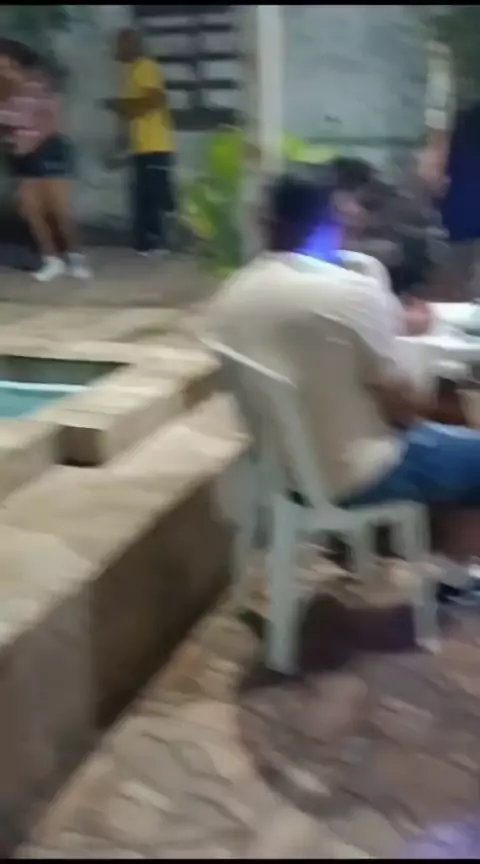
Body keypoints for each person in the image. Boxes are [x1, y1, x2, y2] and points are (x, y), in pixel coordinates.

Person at [207, 170, 480, 598]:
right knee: (469, 453)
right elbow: (404, 411)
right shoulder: (349, 293)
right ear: (330, 219)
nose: (358, 216)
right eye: (348, 209)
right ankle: (454, 575)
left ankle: (426, 557)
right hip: (355, 476)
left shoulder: (232, 292)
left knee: (444, 440)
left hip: (281, 473)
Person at [0, 40, 90, 282]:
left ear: (15, 62)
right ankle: (52, 260)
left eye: (4, 62)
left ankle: (76, 258)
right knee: (31, 210)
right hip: (20, 154)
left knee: (58, 210)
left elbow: (51, 118)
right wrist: (11, 142)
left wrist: (32, 142)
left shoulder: (37, 82)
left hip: (49, 149)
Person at [106, 28, 175, 257]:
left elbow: (155, 100)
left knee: (153, 197)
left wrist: (121, 106)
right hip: (141, 146)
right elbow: (130, 112)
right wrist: (122, 140)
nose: (117, 49)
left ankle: (156, 244)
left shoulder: (145, 67)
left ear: (134, 45)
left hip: (155, 145)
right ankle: (145, 244)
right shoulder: (128, 72)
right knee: (141, 197)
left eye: (122, 44)